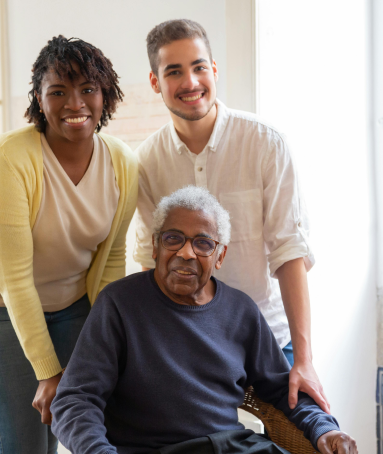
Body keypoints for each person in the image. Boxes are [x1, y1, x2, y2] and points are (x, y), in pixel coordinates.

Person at [51, 186, 357, 454]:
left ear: (220, 256)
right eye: (174, 239)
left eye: (203, 243)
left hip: (234, 446)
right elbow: (75, 400)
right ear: (155, 247)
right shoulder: (118, 304)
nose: (186, 253)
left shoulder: (242, 311)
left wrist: (325, 429)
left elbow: (282, 390)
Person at [134, 19, 329, 414]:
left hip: (270, 340)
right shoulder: (145, 163)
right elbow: (148, 262)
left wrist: (304, 360)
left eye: (199, 66)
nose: (190, 81)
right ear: (155, 83)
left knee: (314, 430)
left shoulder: (266, 143)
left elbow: (290, 252)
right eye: (174, 71)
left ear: (214, 70)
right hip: (185, 344)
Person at [0, 35, 138, 454]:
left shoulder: (123, 162)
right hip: (10, 313)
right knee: (25, 443)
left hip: (78, 309)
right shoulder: (12, 159)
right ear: (39, 100)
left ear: (105, 96)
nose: (74, 104)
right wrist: (46, 370)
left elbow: (112, 257)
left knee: (80, 429)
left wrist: (106, 337)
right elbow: (15, 278)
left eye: (88, 89)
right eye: (57, 91)